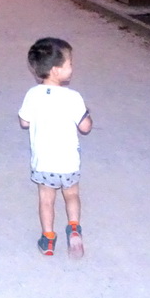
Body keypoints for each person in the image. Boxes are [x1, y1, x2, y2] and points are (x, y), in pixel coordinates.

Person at [18, 37, 93, 257]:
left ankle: (48, 239)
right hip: (68, 162)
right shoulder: (73, 97)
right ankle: (74, 228)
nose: (72, 67)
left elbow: (24, 121)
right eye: (69, 64)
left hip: (44, 163)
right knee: (71, 194)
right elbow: (86, 127)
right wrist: (87, 114)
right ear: (55, 70)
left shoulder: (32, 95)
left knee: (46, 199)